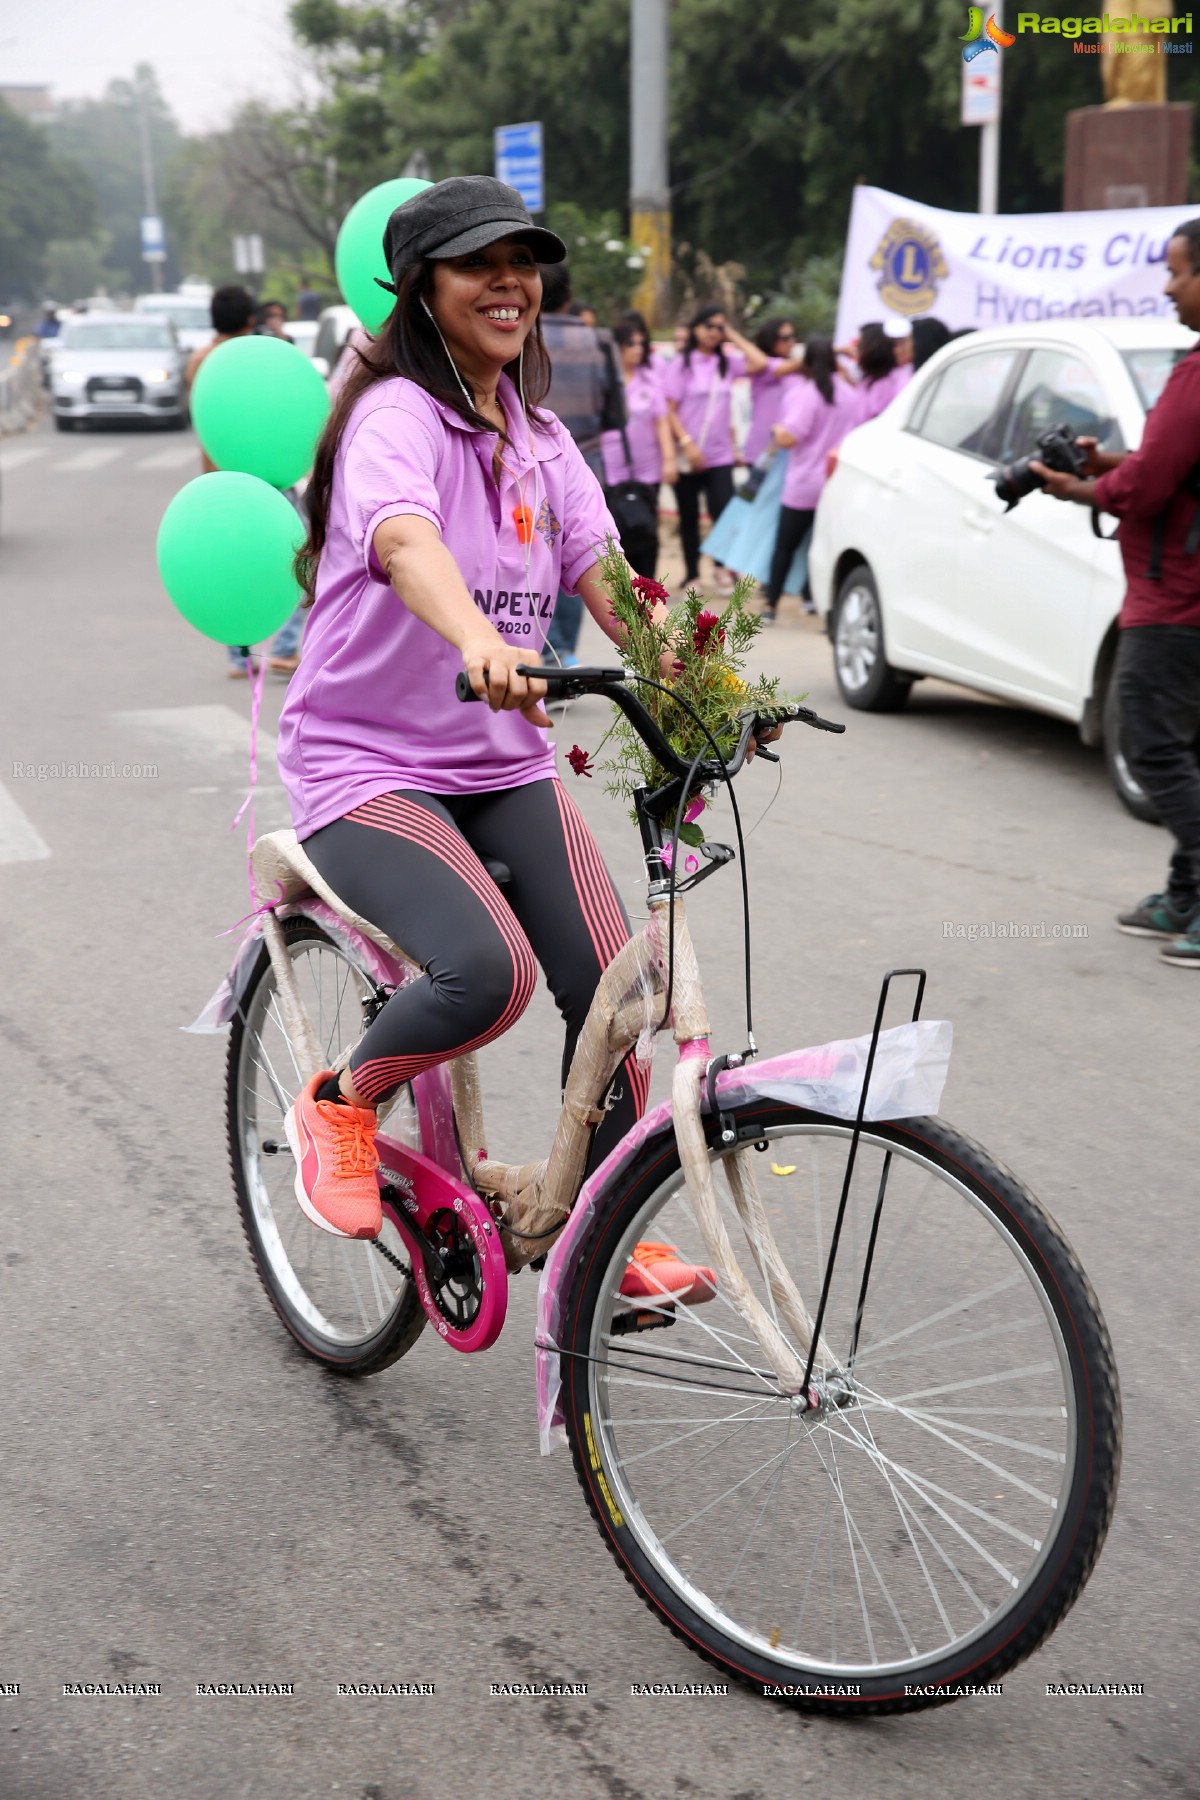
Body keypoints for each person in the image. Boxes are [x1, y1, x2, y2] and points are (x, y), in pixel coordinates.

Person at [273, 173, 718, 1307]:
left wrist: (704, 681)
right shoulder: (394, 420)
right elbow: (408, 543)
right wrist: (478, 638)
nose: (510, 283)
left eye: (523, 261)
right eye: (480, 264)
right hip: (366, 765)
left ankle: (604, 1229)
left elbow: (608, 577)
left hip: (496, 763)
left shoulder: (539, 433)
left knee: (622, 989)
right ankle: (341, 1098)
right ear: (423, 289)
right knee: (488, 973)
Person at [1031, 217, 1200, 970]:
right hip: (1185, 593)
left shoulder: (1196, 376)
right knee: (1187, 747)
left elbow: (1150, 485)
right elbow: (1170, 464)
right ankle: (1185, 892)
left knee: (1155, 747)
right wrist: (1118, 462)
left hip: (1175, 601)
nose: (1167, 287)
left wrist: (1082, 485)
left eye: (1177, 272)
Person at [186, 286, 305, 678]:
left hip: (218, 479)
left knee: (233, 566)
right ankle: (285, 647)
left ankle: (240, 655)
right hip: (270, 474)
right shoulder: (258, 358)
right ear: (247, 319)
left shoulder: (200, 361)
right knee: (296, 559)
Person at [538, 261, 620, 666]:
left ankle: (548, 645)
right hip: (585, 456)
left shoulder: (522, 336)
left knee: (533, 551)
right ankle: (565, 648)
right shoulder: (595, 340)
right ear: (569, 297)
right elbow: (614, 407)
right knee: (582, 554)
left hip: (529, 462)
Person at [663, 305, 770, 594]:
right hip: (689, 453)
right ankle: (692, 574)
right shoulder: (682, 365)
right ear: (696, 328)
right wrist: (686, 444)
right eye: (709, 325)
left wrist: (732, 333)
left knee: (723, 511)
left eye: (719, 327)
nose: (714, 331)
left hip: (720, 454)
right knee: (688, 516)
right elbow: (669, 409)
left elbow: (759, 362)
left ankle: (722, 568)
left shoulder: (726, 362)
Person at [762, 337, 857, 621]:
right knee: (823, 545)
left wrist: (777, 430)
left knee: (785, 546)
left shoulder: (808, 394)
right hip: (835, 481)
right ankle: (815, 599)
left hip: (803, 484)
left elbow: (790, 436)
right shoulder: (850, 393)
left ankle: (771, 605)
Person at [598, 318, 676, 577]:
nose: (637, 349)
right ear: (617, 347)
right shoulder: (604, 379)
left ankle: (649, 586)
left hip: (647, 468)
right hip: (610, 467)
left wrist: (668, 460)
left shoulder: (650, 379)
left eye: (641, 343)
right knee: (616, 529)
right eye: (631, 343)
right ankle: (621, 588)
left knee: (646, 527)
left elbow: (662, 421)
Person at [743, 317, 807, 466]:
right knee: (756, 490)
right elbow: (780, 367)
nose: (792, 342)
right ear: (771, 340)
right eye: (785, 338)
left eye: (793, 337)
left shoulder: (796, 368)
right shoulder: (764, 366)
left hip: (788, 448)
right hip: (763, 449)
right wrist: (828, 351)